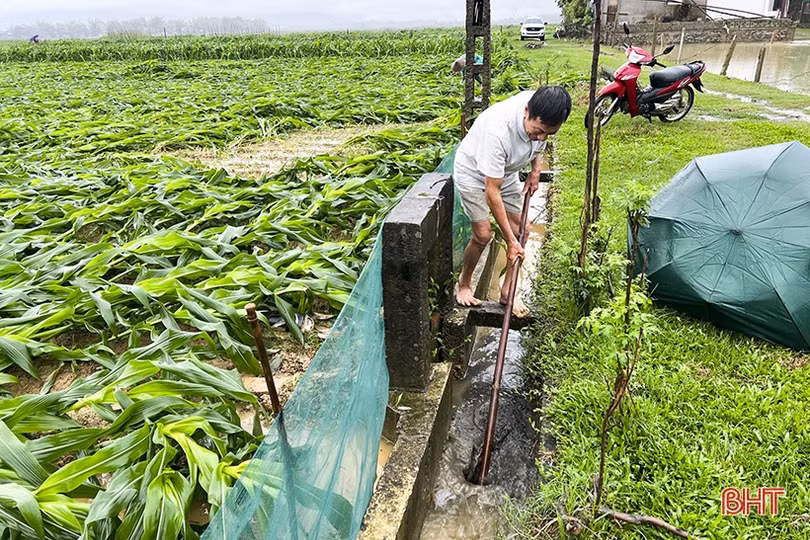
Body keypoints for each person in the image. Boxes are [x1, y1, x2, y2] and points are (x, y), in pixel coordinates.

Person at [453, 86, 571, 317]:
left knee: (523, 231)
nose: (541, 138)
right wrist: (509, 240)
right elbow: (492, 192)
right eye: (537, 131)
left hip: (505, 171)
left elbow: (538, 144)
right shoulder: (498, 131)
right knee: (483, 235)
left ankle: (508, 290)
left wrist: (535, 170)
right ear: (526, 112)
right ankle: (464, 284)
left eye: (549, 134)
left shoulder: (539, 105)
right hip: (474, 173)